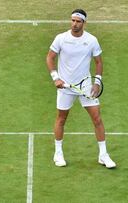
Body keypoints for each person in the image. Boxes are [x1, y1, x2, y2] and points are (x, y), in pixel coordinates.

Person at [46, 9, 116, 168]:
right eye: (72, 20)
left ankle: (103, 155)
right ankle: (58, 153)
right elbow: (50, 57)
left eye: (78, 21)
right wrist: (56, 78)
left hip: (85, 86)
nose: (74, 24)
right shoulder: (61, 38)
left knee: (97, 118)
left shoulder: (92, 40)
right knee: (61, 119)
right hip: (65, 87)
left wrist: (97, 82)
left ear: (84, 23)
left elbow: (98, 62)